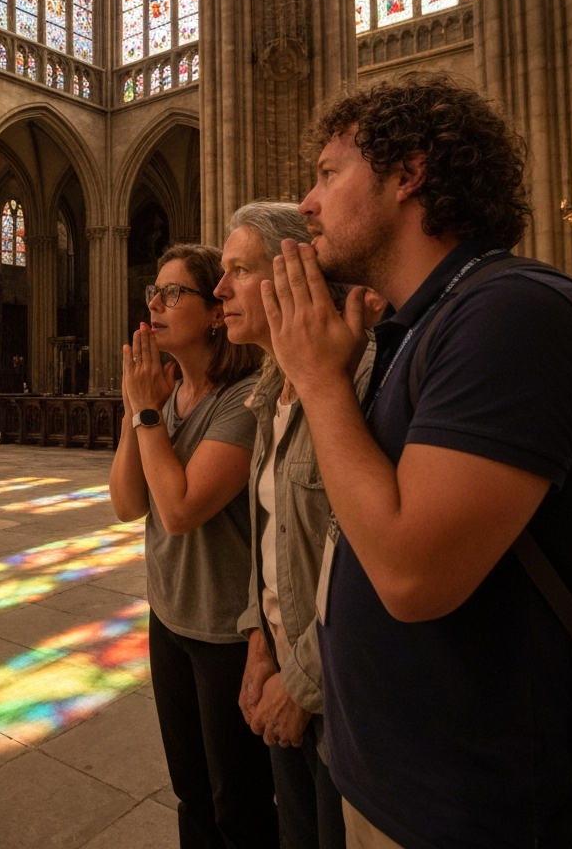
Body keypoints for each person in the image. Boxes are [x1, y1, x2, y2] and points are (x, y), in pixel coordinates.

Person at [261, 72, 572, 849]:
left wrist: (318, 379)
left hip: (475, 810)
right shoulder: (419, 327)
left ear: (410, 174)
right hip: (386, 781)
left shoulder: (510, 312)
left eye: (330, 174)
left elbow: (410, 575)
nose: (306, 202)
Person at [214, 202, 379, 849]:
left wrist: (300, 682)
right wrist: (258, 643)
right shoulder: (268, 389)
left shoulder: (353, 380)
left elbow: (361, 557)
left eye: (239, 271)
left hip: (336, 694)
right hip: (281, 673)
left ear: (293, 274)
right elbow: (271, 535)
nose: (220, 290)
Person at [109, 243, 278, 849]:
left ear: (213, 313)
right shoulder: (163, 395)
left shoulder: (245, 396)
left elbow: (178, 511)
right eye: (153, 293)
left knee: (241, 805)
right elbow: (129, 504)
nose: (155, 303)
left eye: (173, 293)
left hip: (228, 631)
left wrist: (146, 412)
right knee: (191, 795)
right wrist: (139, 407)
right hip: (170, 616)